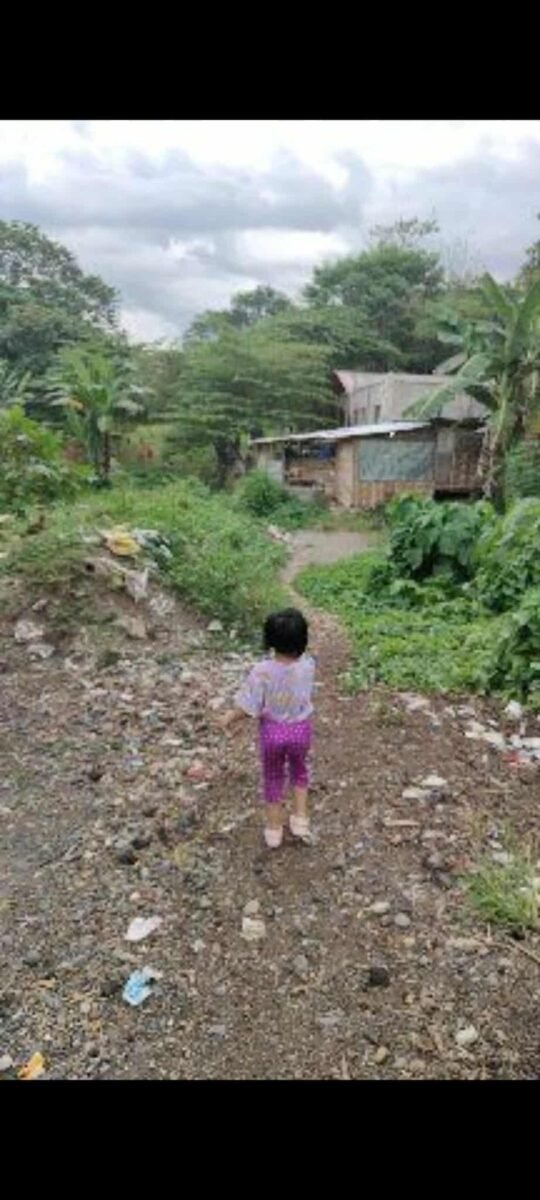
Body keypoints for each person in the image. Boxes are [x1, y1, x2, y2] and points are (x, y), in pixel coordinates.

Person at [220, 608, 315, 849]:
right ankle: (300, 820)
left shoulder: (262, 671)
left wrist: (230, 717)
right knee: (300, 772)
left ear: (270, 640)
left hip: (273, 732)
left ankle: (274, 830)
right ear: (303, 639)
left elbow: (250, 705)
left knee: (273, 777)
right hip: (300, 730)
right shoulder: (308, 665)